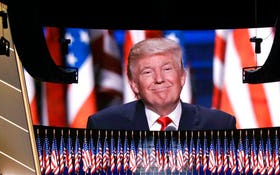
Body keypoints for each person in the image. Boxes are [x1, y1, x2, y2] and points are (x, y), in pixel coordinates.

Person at [86, 37, 236, 131]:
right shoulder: (104, 125)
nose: (159, 78)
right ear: (134, 84)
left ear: (182, 77)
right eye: (147, 72)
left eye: (167, 69)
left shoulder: (219, 125)